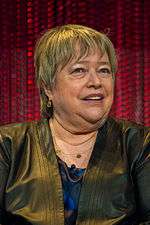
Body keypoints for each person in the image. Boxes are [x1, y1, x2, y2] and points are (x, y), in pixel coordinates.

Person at [0, 24, 150, 225]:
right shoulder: (7, 145)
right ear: (48, 87)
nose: (96, 81)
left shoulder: (140, 143)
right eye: (79, 70)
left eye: (104, 70)